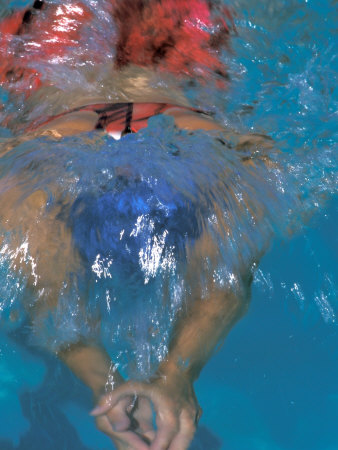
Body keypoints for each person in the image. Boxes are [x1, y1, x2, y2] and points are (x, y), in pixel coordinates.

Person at [0, 1, 274, 449]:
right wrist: (173, 376)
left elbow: (48, 288)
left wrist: (112, 384)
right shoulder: (223, 166)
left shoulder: (27, 175)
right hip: (168, 109)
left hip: (73, 114)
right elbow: (226, 271)